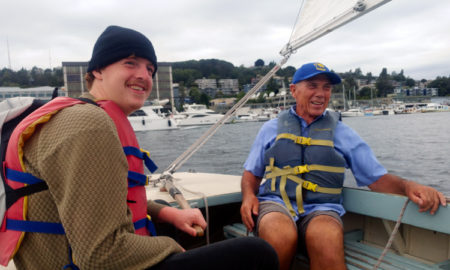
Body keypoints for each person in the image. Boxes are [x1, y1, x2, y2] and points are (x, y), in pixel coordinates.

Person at [1, 25, 278, 270]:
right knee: (256, 253)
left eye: (150, 69)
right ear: (97, 69)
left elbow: (103, 200)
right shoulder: (88, 123)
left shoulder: (80, 116)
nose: (144, 76)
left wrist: (167, 212)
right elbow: (100, 256)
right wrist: (168, 246)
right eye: (130, 62)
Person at [240, 62, 447, 270]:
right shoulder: (270, 129)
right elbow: (251, 173)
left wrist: (409, 187)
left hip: (321, 209)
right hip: (277, 204)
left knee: (327, 240)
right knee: (279, 234)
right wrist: (249, 196)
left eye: (327, 88)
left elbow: (377, 180)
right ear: (293, 90)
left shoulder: (343, 133)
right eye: (313, 85)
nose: (321, 94)